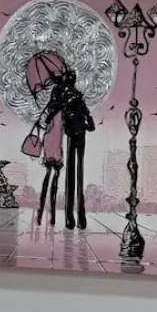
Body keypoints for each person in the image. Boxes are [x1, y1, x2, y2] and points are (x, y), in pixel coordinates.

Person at [42, 68, 95, 230]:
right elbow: (87, 115)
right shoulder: (77, 95)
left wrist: (49, 117)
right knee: (78, 174)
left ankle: (70, 219)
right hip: (80, 133)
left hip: (72, 134)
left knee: (71, 176)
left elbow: (53, 110)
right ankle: (80, 218)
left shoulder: (64, 95)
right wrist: (88, 124)